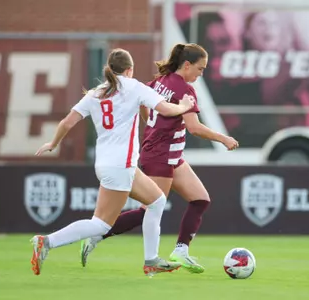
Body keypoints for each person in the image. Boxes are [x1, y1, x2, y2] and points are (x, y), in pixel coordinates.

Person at [30, 48, 196, 277]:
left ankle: (151, 260)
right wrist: (185, 106)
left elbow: (67, 123)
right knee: (101, 225)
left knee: (157, 201)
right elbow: (166, 109)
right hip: (121, 165)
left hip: (109, 164)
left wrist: (53, 143)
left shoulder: (96, 93)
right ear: (129, 70)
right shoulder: (134, 86)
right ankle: (45, 241)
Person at [80, 43, 239, 274]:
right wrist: (223, 138)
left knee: (200, 200)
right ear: (186, 65)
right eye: (200, 68)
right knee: (150, 209)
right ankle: (97, 234)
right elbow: (193, 127)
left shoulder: (159, 81)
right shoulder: (185, 90)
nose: (201, 73)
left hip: (169, 153)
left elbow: (144, 104)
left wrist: (152, 125)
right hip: (161, 155)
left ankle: (181, 251)